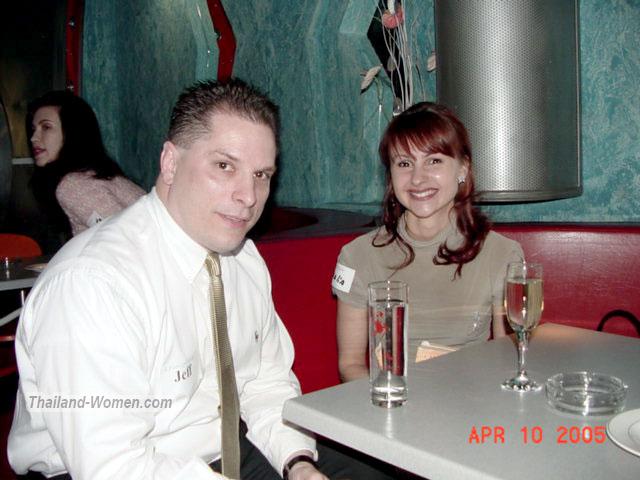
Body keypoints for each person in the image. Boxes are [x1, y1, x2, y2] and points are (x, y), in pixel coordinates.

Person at [8, 79, 392, 480]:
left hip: (224, 452)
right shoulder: (93, 283)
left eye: (262, 174)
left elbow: (266, 383)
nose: (249, 195)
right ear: (170, 163)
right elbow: (112, 464)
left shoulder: (242, 259)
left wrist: (297, 463)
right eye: (225, 166)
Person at [332, 101, 524, 382]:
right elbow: (350, 364)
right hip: (388, 401)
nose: (418, 178)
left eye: (434, 161)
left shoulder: (502, 255)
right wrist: (389, 401)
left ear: (462, 168)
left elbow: (507, 361)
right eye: (404, 163)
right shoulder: (357, 257)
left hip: (469, 400)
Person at [27, 90, 144, 237]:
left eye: (46, 127)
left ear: (72, 132)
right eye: (34, 129)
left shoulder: (74, 185)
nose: (33, 138)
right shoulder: (90, 174)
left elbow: (124, 239)